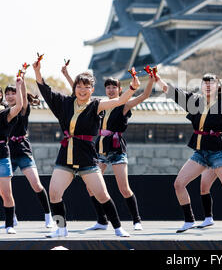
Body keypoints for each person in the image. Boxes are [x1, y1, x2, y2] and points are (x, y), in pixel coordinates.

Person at [33, 58, 137, 238]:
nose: (82, 90)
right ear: (74, 88)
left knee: (102, 195)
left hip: (87, 158)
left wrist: (133, 88)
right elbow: (46, 91)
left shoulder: (96, 105)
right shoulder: (65, 103)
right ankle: (61, 228)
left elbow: (120, 101)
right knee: (54, 194)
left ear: (92, 89)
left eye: (86, 87)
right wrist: (37, 71)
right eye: (79, 87)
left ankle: (118, 227)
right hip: (66, 155)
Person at [155, 73, 222, 233]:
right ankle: (189, 220)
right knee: (179, 184)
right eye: (205, 82)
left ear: (217, 86)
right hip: (200, 152)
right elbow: (172, 92)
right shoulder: (194, 101)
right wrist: (157, 78)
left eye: (211, 83)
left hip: (218, 153)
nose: (207, 85)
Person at [62, 67, 154, 231]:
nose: (111, 90)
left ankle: (136, 220)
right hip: (100, 149)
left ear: (120, 89)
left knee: (123, 188)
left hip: (117, 149)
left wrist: (152, 80)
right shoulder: (99, 104)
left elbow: (144, 96)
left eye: (114, 87)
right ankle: (102, 221)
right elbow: (80, 92)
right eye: (108, 87)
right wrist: (67, 75)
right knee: (91, 187)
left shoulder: (123, 105)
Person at [4, 82, 53, 229]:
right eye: (8, 93)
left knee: (36, 184)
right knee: (2, 188)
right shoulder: (2, 111)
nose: (10, 96)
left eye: (13, 93)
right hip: (7, 152)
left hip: (23, 150)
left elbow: (23, 98)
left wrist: (21, 83)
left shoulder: (23, 108)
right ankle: (12, 218)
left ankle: (48, 215)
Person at [0, 77, 24, 234]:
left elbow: (20, 105)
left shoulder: (5, 112)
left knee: (6, 194)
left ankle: (9, 225)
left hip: (0, 157)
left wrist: (19, 86)